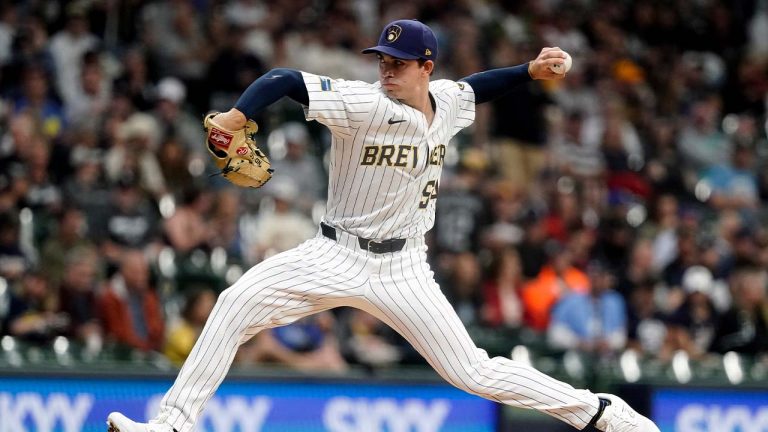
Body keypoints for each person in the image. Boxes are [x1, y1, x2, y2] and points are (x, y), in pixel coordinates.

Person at [107, 19, 659, 432]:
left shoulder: (447, 102)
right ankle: (172, 424)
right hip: (334, 253)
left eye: (398, 62)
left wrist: (529, 71)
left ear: (426, 68)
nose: (386, 70)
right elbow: (282, 79)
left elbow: (479, 88)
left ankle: (601, 412)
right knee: (234, 303)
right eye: (382, 60)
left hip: (403, 267)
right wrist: (236, 117)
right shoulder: (362, 103)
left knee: (473, 371)